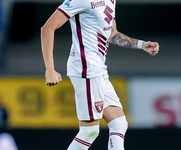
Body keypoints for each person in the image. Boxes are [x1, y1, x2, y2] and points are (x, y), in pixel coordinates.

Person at [41, 0, 159, 149]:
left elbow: (112, 35)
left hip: (99, 69)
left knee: (119, 123)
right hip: (86, 69)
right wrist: (50, 69)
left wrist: (142, 45)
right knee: (89, 131)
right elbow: (48, 27)